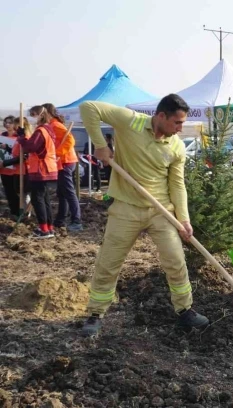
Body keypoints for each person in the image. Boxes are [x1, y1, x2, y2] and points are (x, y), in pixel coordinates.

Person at [78, 94, 209, 337]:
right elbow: (89, 107)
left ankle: (185, 310)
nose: (180, 129)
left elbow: (177, 185)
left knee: (176, 261)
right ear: (161, 116)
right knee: (109, 262)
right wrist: (100, 144)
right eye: (177, 123)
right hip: (126, 208)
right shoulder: (131, 121)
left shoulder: (176, 146)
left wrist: (184, 219)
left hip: (162, 212)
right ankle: (96, 313)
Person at [0, 106, 58, 238]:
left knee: (37, 199)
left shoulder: (41, 131)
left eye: (33, 115)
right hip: (46, 167)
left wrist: (21, 137)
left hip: (40, 168)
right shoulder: (48, 129)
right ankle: (49, 227)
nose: (33, 118)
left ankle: (44, 229)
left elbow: (29, 148)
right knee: (44, 199)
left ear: (40, 115)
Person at [42, 103, 82, 232]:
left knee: (69, 192)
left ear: (46, 112)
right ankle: (60, 219)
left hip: (65, 161)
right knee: (62, 193)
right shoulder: (51, 125)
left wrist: (57, 153)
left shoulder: (56, 125)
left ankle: (77, 221)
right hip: (61, 162)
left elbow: (70, 140)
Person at [0, 116, 20, 218]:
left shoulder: (19, 137)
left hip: (16, 170)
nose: (7, 125)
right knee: (9, 192)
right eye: (6, 122)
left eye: (10, 123)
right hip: (4, 169)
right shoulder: (2, 136)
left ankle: (20, 212)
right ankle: (13, 212)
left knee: (18, 193)